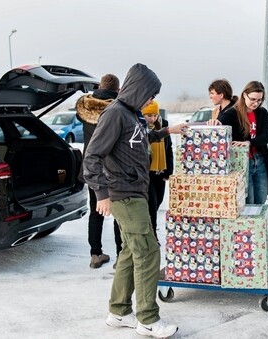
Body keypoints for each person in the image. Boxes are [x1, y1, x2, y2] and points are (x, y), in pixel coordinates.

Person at [83, 63, 187, 338]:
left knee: (130, 252)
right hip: (124, 194)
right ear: (138, 89)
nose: (151, 101)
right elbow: (92, 156)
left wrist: (168, 132)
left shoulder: (132, 116)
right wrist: (101, 194)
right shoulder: (114, 114)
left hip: (135, 192)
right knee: (148, 252)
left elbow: (140, 139)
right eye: (150, 95)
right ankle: (148, 319)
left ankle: (118, 312)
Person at [76, 73, 122, 269]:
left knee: (96, 212)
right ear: (117, 89)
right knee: (119, 213)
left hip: (91, 167)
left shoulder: (85, 107)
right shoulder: (116, 109)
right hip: (112, 167)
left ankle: (95, 254)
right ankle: (121, 256)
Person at [209, 80, 268, 204]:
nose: (256, 103)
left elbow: (266, 137)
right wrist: (215, 123)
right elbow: (220, 124)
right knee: (247, 203)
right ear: (244, 95)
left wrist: (249, 142)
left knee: (260, 202)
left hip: (260, 161)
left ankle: (259, 224)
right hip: (243, 164)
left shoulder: (262, 113)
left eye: (259, 100)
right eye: (253, 99)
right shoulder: (233, 113)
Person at [142, 100, 174, 240]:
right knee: (152, 203)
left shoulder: (164, 124)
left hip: (160, 170)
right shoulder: (140, 127)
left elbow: (169, 148)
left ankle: (148, 227)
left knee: (159, 201)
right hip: (147, 171)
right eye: (149, 115)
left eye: (154, 115)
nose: (152, 118)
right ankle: (152, 235)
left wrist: (169, 169)